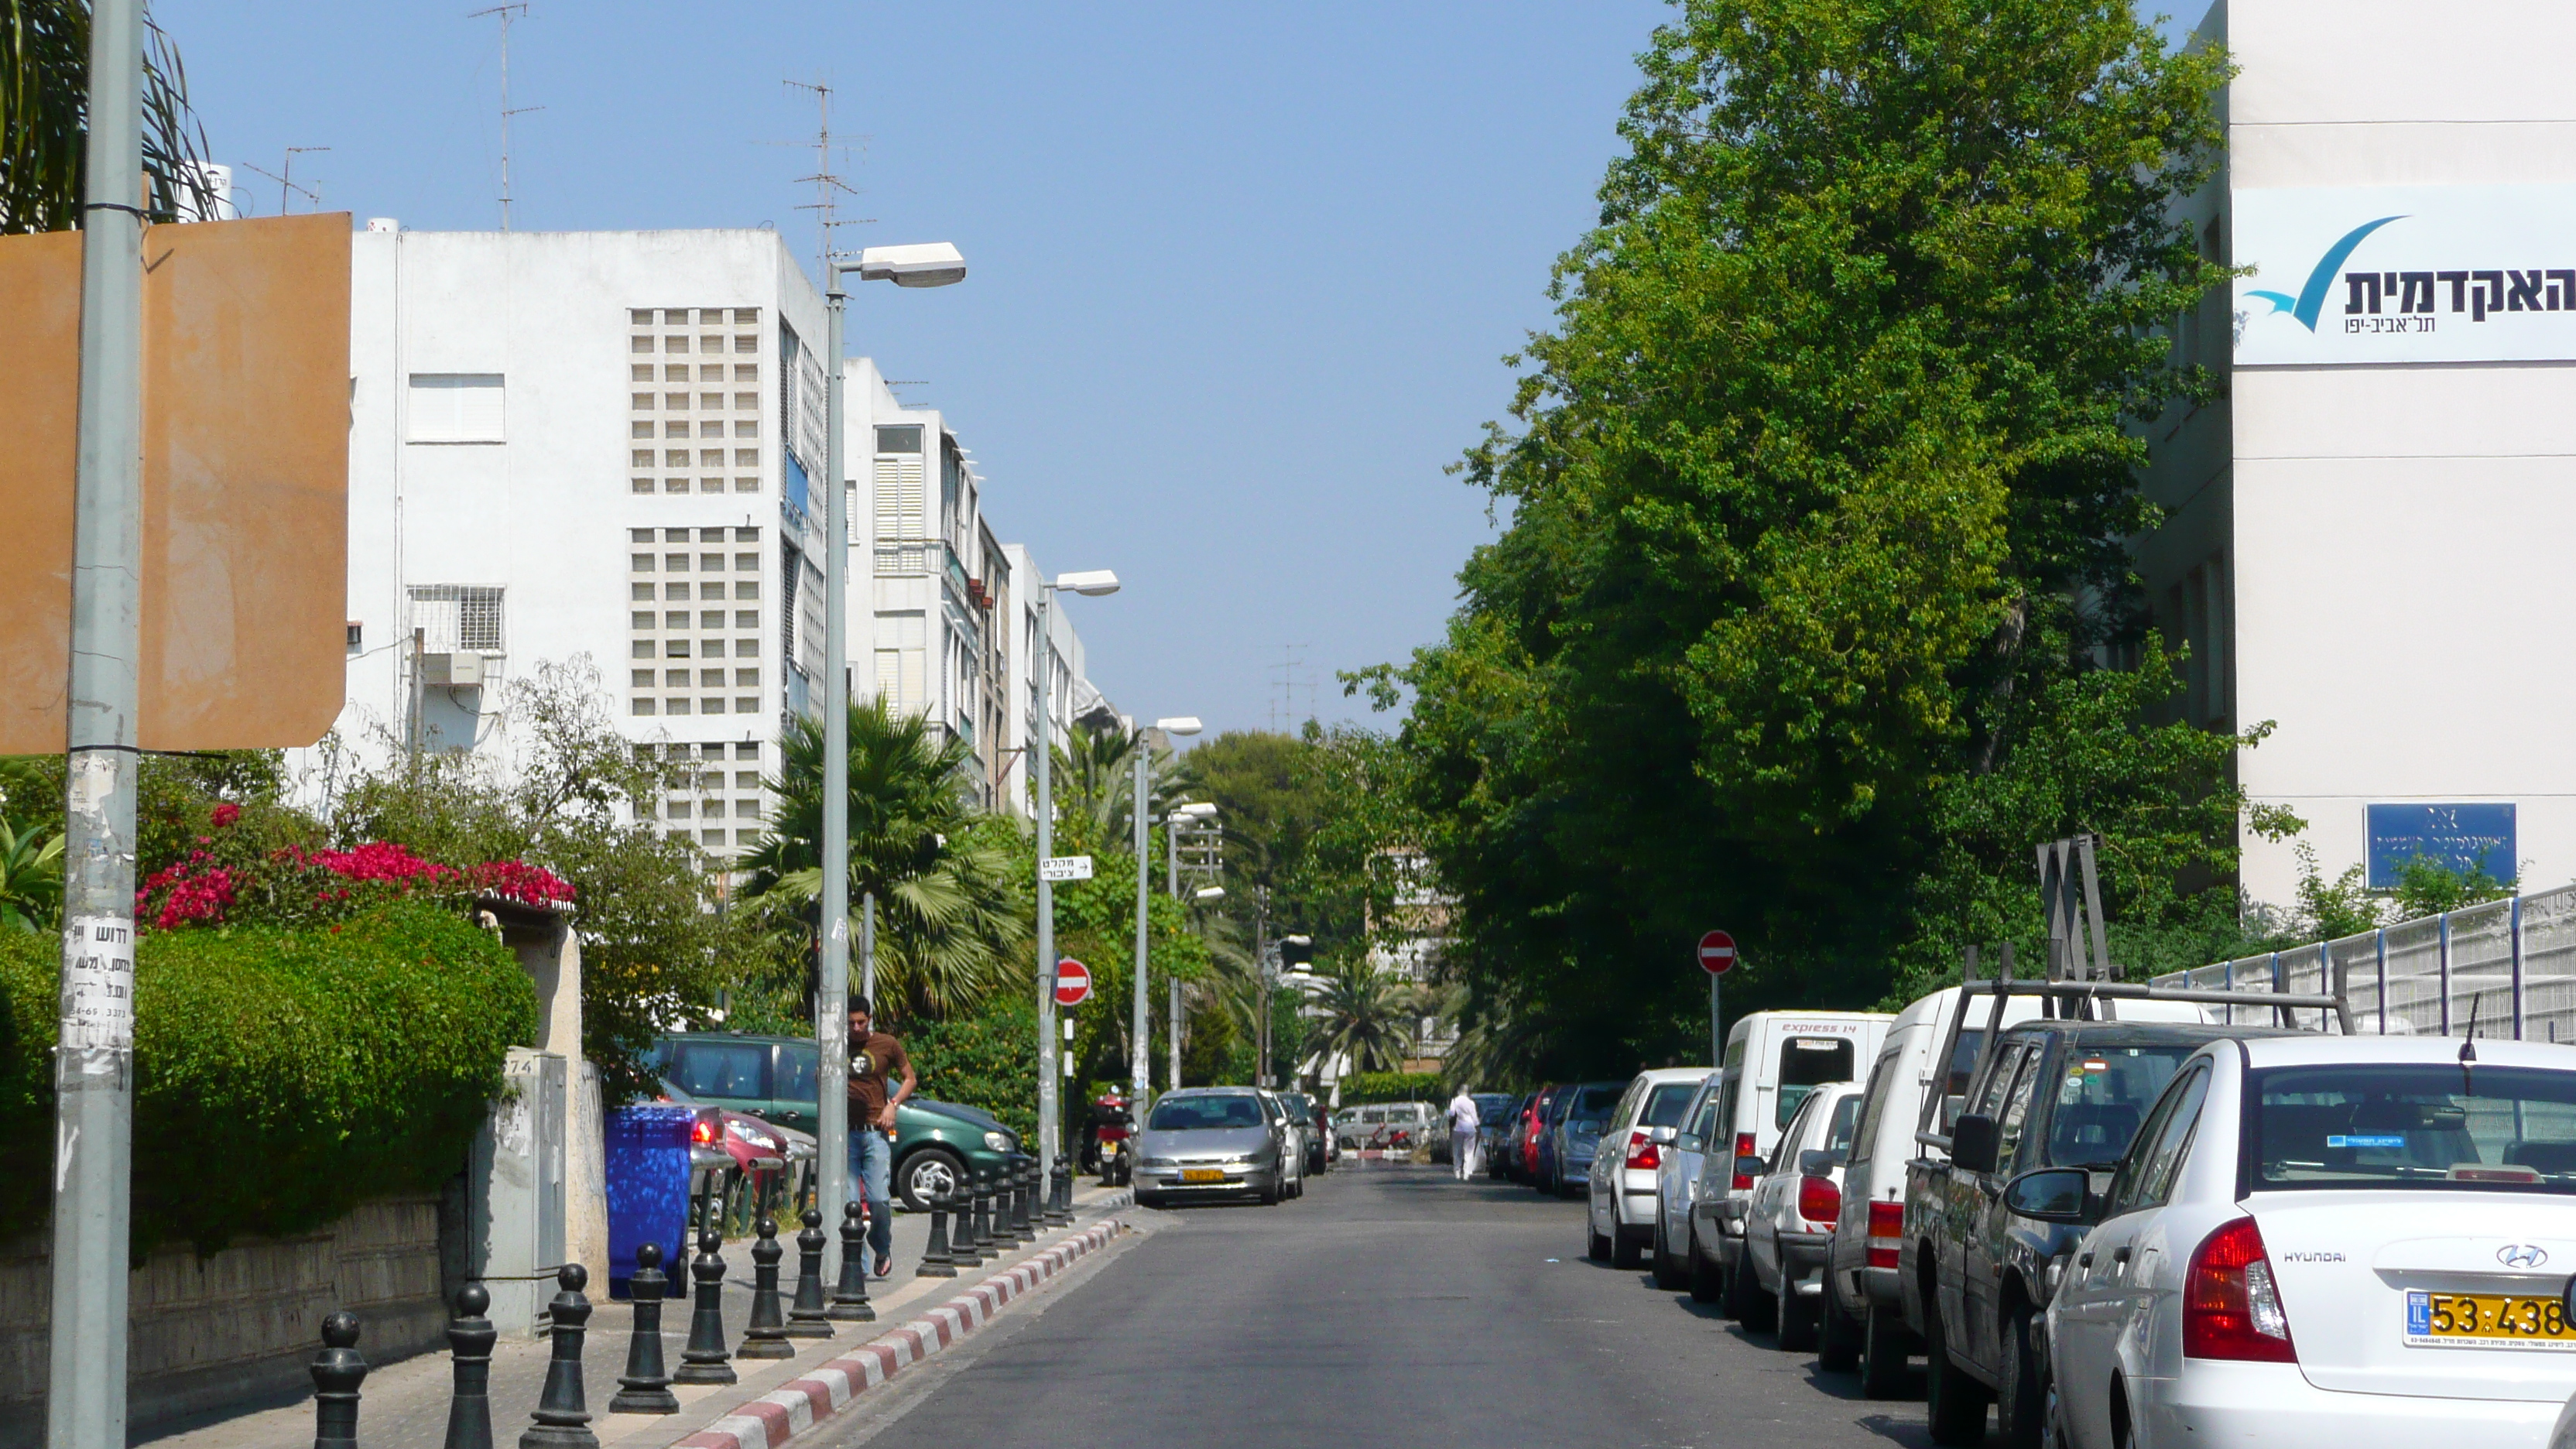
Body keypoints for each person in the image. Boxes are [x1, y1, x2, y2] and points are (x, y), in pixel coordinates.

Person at [847, 997, 915, 1276]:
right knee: (849, 1204)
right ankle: (858, 1268)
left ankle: (881, 1246)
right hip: (847, 1135)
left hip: (876, 1133)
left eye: (861, 1022)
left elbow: (910, 1078)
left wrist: (893, 1104)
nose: (856, 1027)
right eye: (851, 1023)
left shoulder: (887, 1044)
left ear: (870, 1018)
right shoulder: (838, 1045)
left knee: (878, 1199)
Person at [1447, 1086, 1482, 1181]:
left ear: (1459, 1092)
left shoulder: (1455, 1101)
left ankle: (1457, 1171)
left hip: (1458, 1128)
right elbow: (1474, 1118)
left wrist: (1448, 1113)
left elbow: (1452, 1114)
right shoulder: (1471, 1103)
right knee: (1469, 1152)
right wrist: (1478, 1128)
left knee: (1457, 1151)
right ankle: (1466, 1173)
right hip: (1470, 1128)